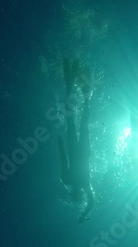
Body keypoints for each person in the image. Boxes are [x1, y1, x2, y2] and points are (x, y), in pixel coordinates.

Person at [58, 57, 94, 224]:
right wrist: (82, 215)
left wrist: (83, 214)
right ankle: (71, 86)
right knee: (73, 121)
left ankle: (79, 92)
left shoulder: (71, 181)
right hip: (78, 150)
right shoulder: (71, 181)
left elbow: (64, 160)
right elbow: (63, 159)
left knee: (78, 122)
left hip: (80, 151)